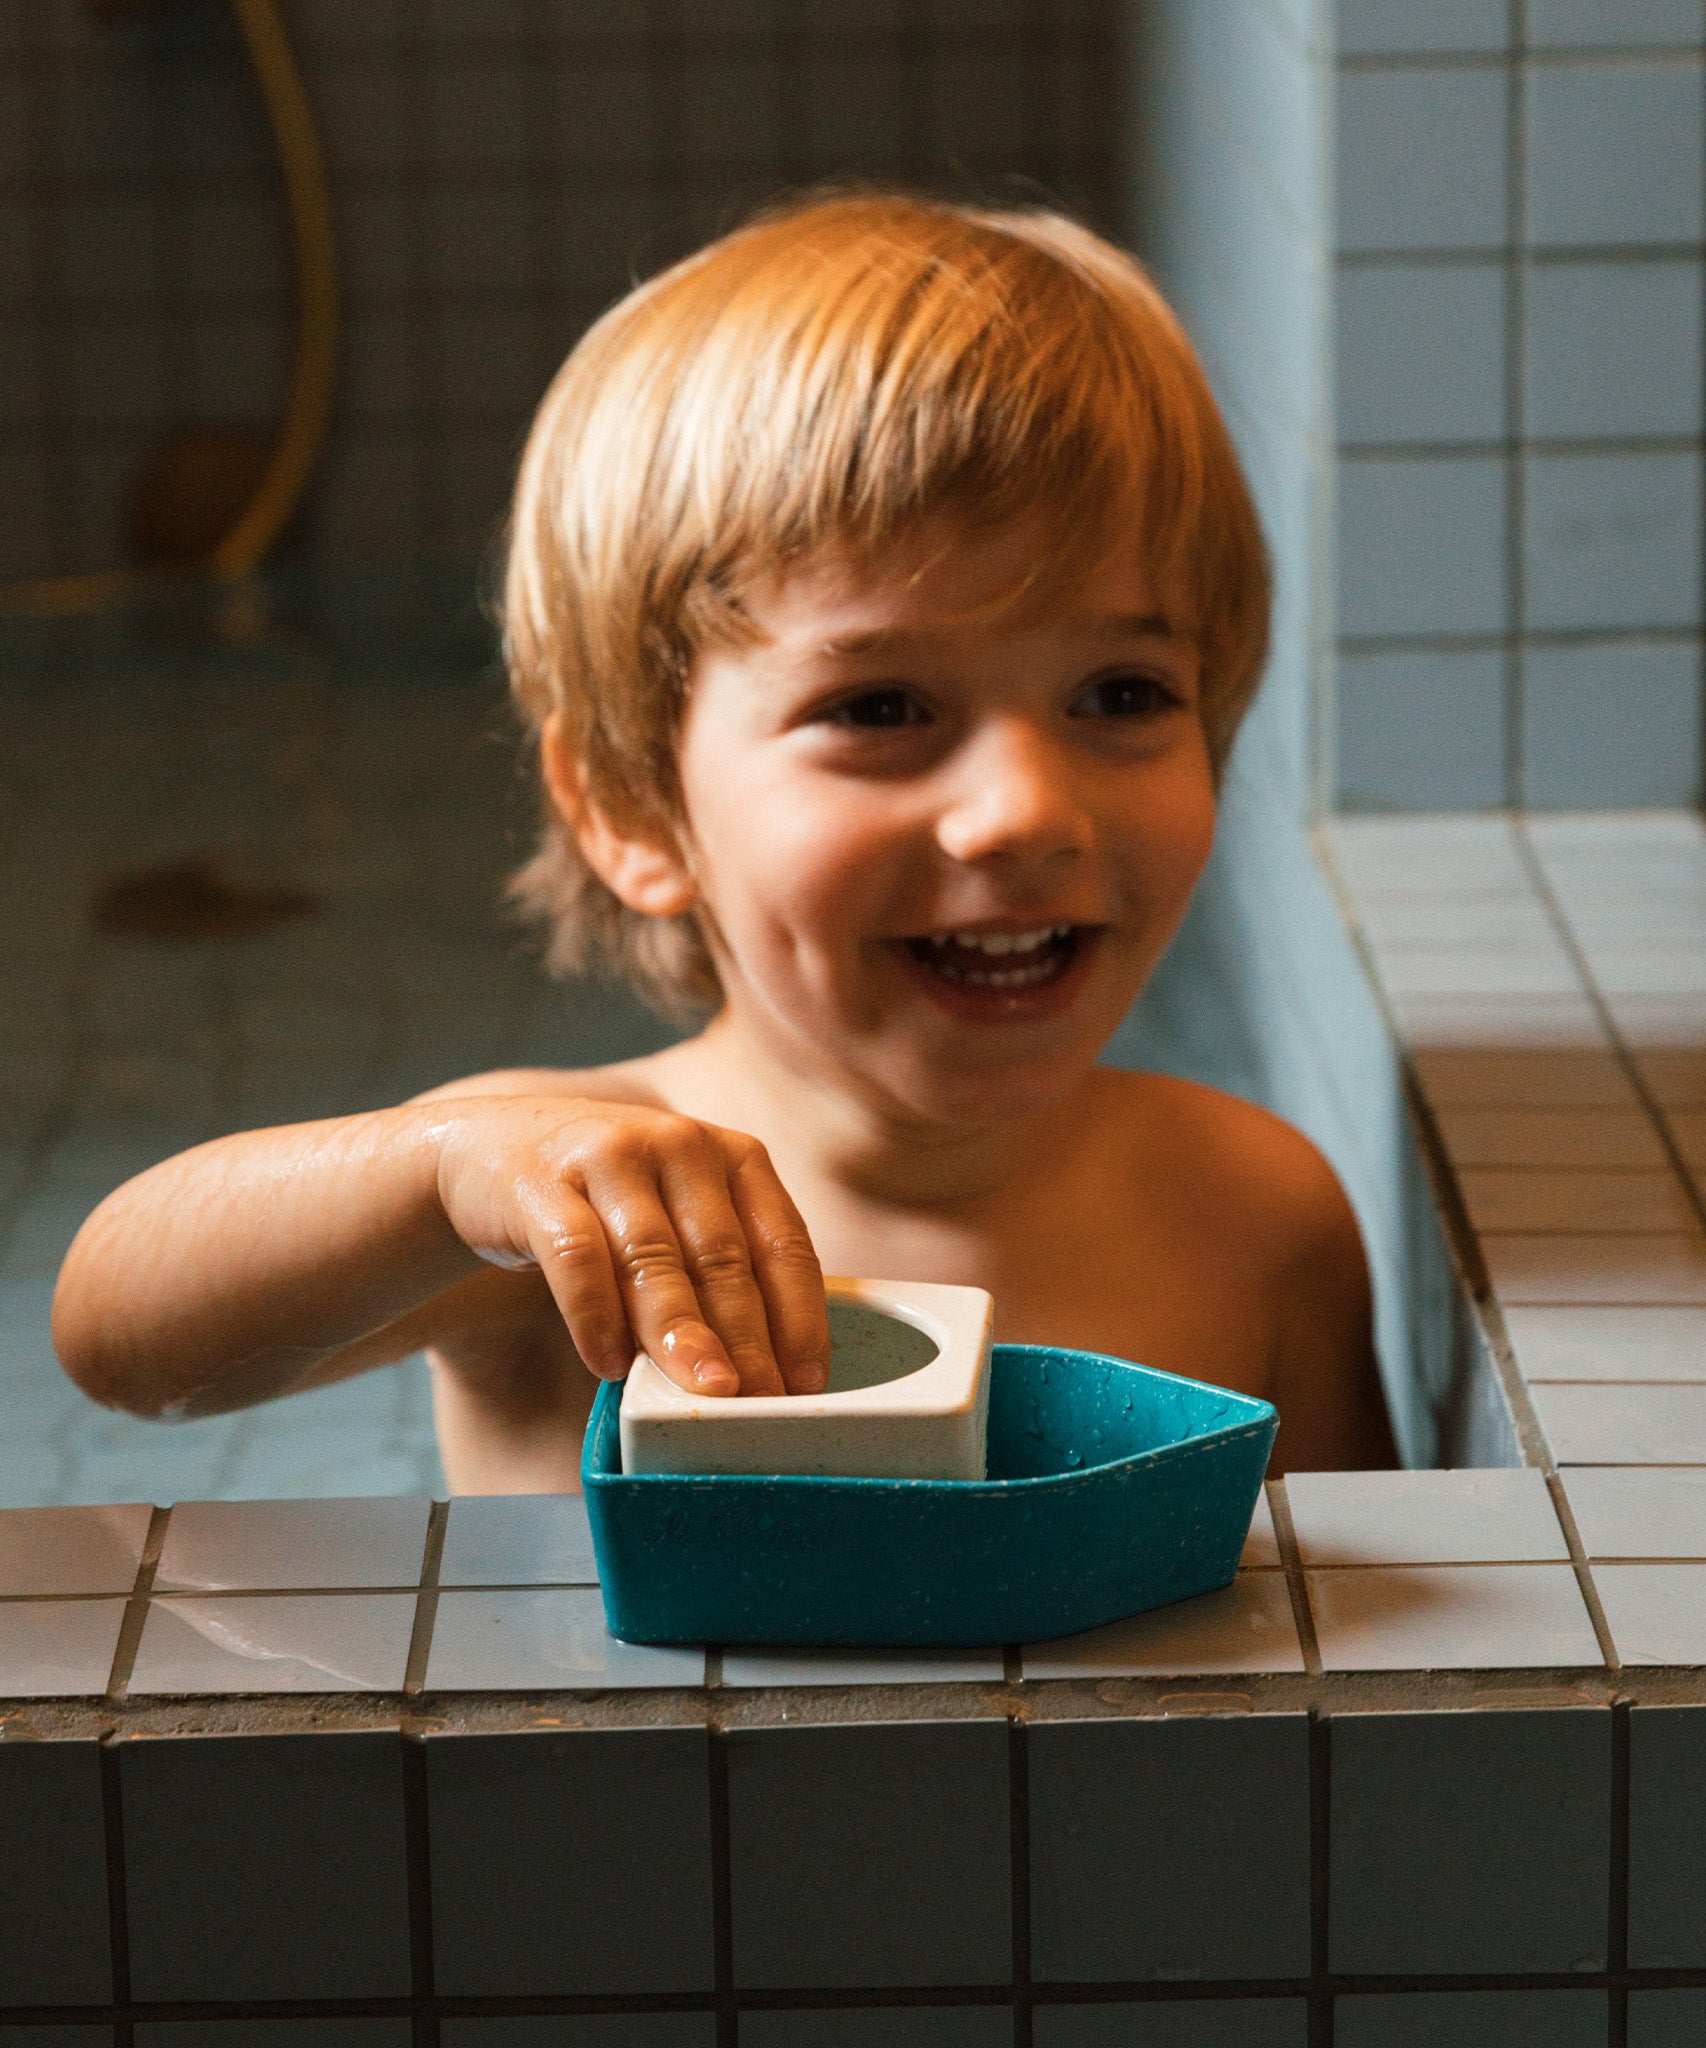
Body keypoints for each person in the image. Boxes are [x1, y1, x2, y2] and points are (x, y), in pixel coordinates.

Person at [53, 192, 1396, 1491]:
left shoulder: (1253, 1210)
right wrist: (437, 1181)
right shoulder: (554, 1193)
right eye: (880, 707)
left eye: (1120, 695)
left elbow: (1373, 1637)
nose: (1026, 810)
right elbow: (119, 1340)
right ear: (635, 809)